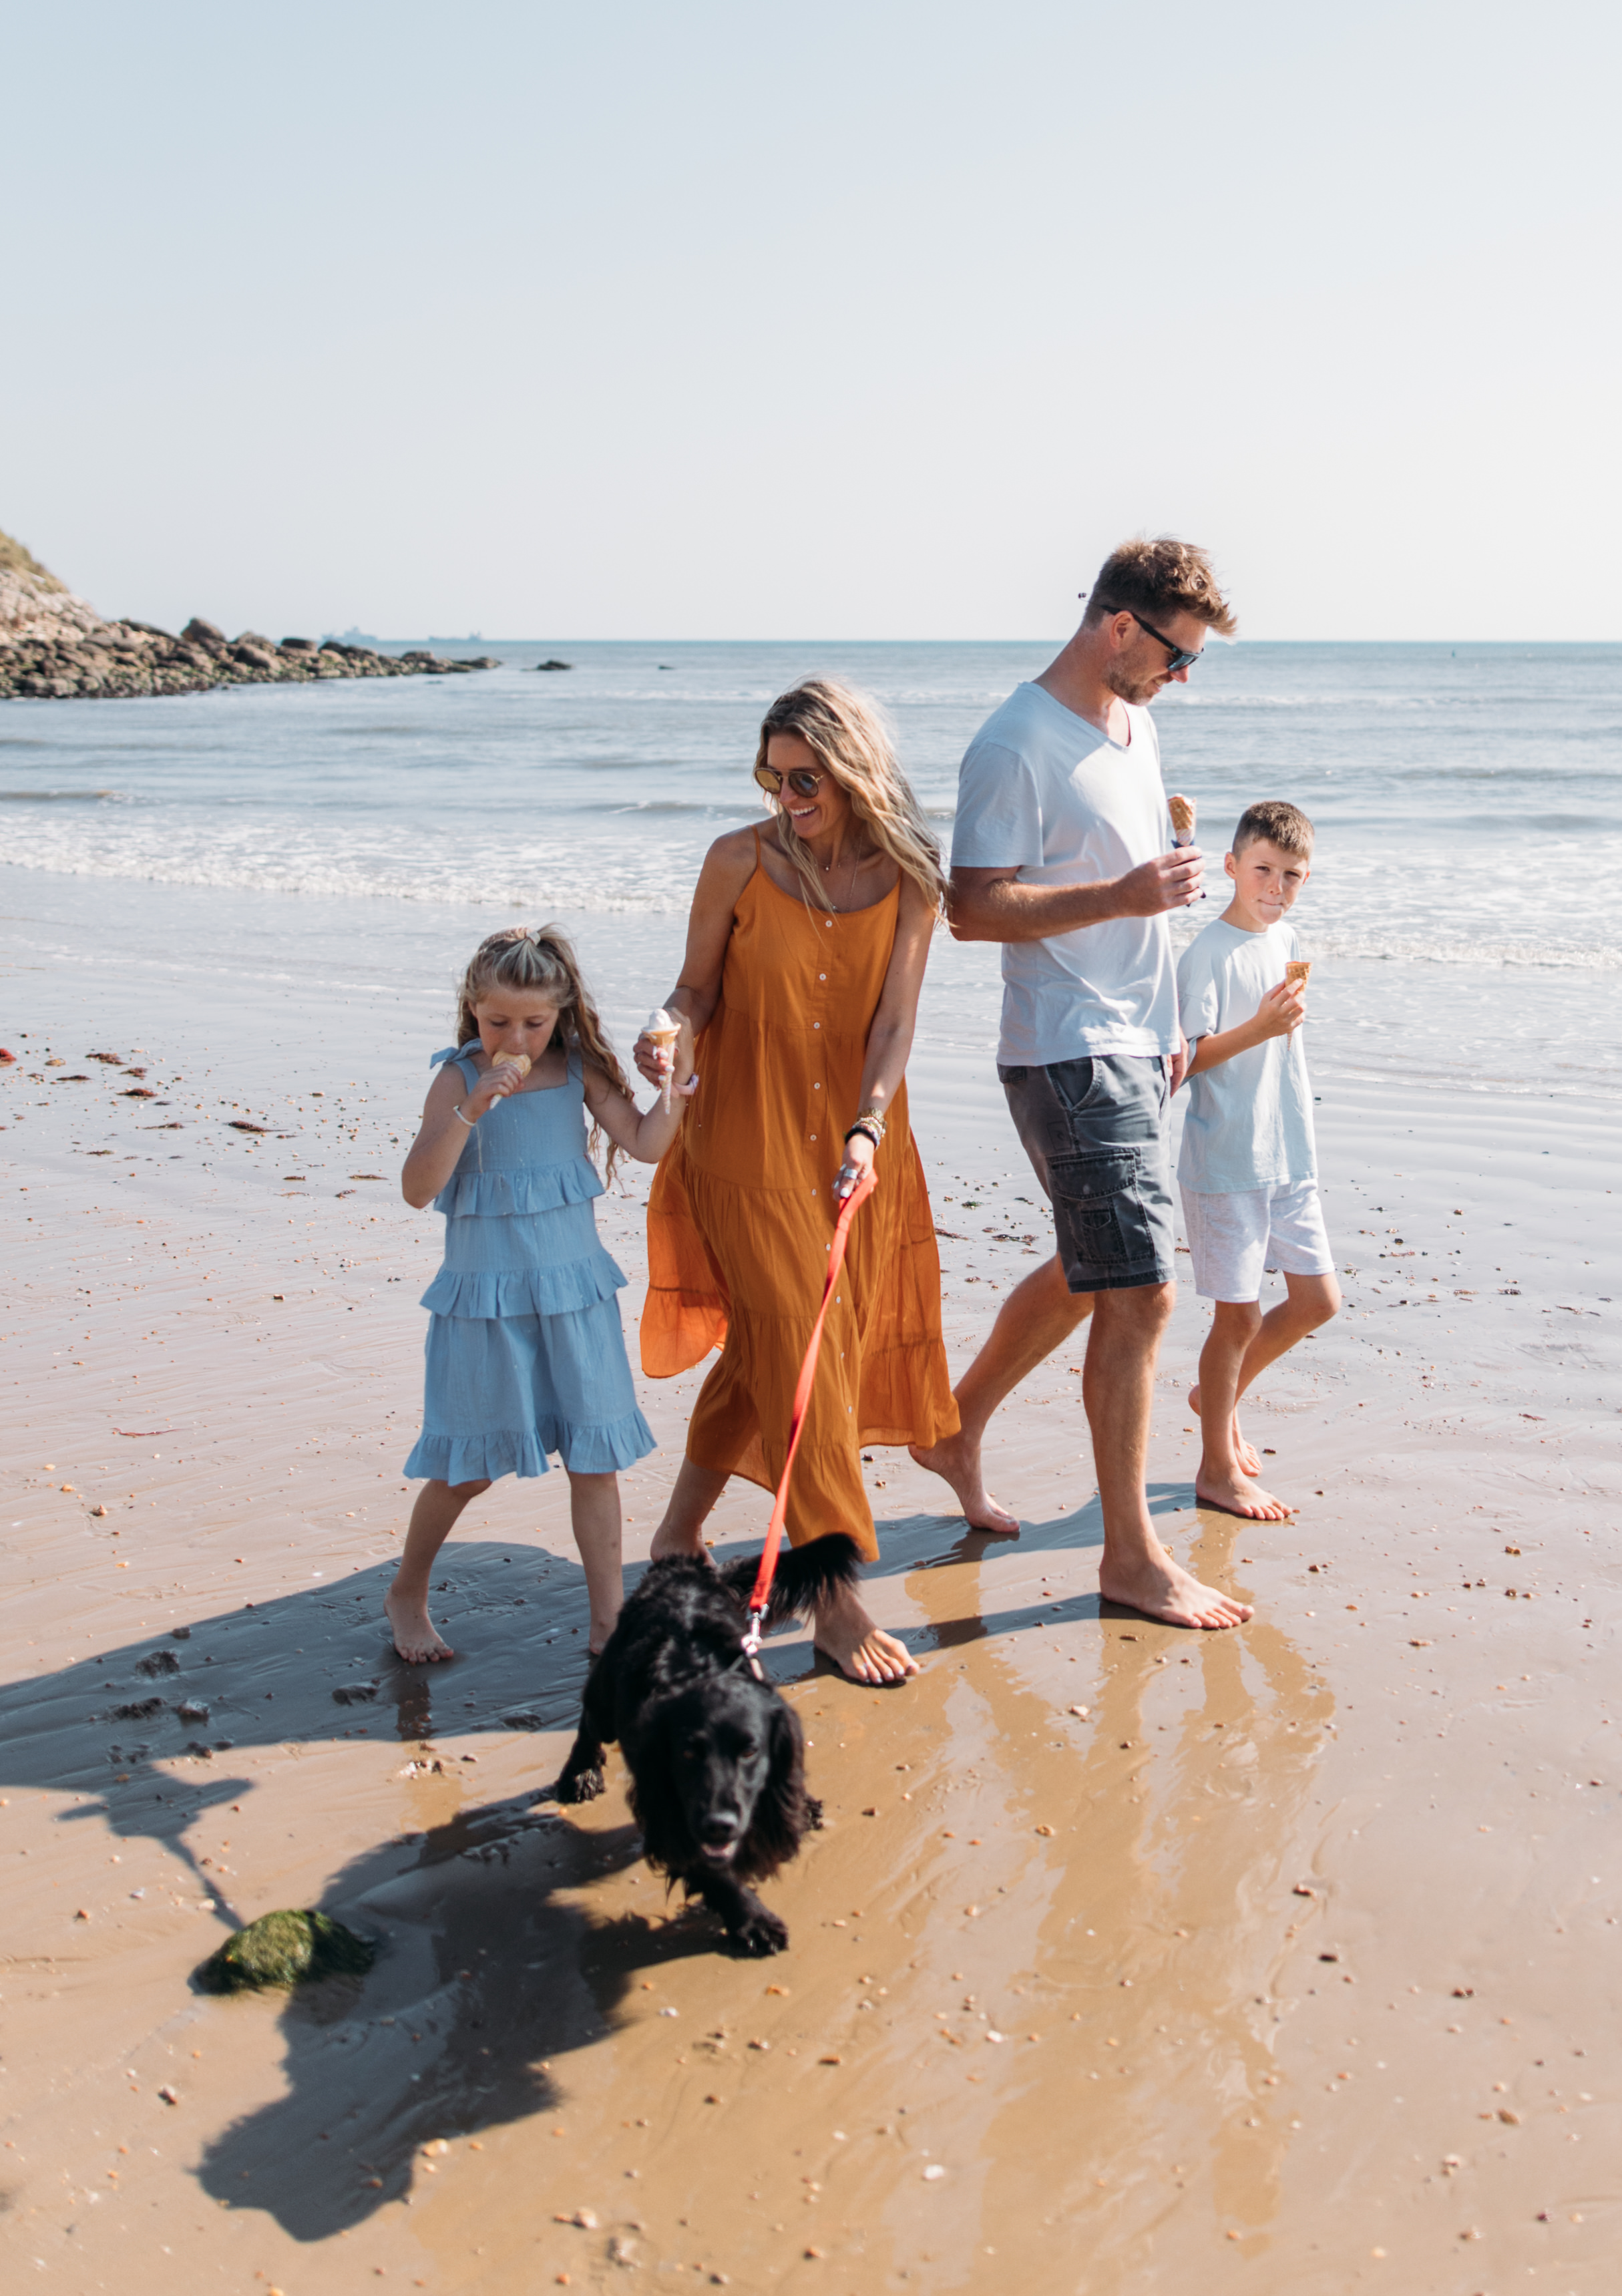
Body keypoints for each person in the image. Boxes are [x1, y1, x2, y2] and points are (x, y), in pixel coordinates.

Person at [920, 534, 1252, 1632]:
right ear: (1120, 626)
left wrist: (1165, 1012)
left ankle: (955, 1428)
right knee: (1143, 1289)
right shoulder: (1013, 744)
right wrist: (1120, 895)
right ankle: (1128, 1558)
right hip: (1065, 1045)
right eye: (1177, 655)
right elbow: (971, 909)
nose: (1181, 677)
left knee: (1090, 1265)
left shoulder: (1134, 723)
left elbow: (1121, 877)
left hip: (1131, 1040)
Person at [634, 679, 960, 1686]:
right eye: (771, 779)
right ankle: (834, 1597)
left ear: (853, 768)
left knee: (786, 1344)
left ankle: (676, 1533)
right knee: (797, 1356)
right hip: (742, 1137)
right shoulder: (739, 859)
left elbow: (896, 1023)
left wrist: (867, 1126)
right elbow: (693, 988)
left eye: (804, 778)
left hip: (856, 1145)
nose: (786, 797)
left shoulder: (911, 873)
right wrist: (667, 1032)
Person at [388, 924, 678, 1666]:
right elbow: (418, 1189)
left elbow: (644, 1144)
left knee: (594, 1458)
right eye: (497, 1022)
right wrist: (471, 1109)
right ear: (472, 1011)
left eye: (532, 1022)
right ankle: (407, 1593)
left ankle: (610, 1621)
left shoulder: (578, 1071)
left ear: (562, 1013)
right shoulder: (456, 1078)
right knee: (466, 1468)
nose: (514, 1036)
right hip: (486, 1307)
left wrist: (676, 1087)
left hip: (574, 1297)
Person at [1175, 799, 1339, 1523]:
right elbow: (1185, 1061)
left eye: (1292, 875)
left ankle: (1218, 1396)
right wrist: (1261, 1026)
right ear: (1232, 866)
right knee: (1235, 1319)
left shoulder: (1288, 938)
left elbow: (1283, 1042)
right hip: (1226, 1157)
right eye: (1264, 869)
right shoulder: (1206, 952)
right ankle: (1215, 1465)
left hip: (1290, 1151)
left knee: (1317, 1300)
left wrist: (1278, 1026)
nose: (1276, 886)